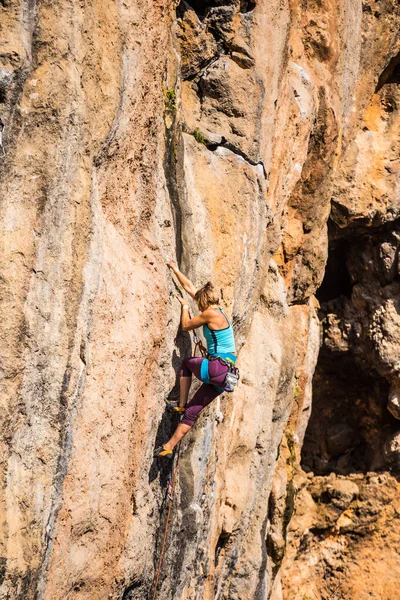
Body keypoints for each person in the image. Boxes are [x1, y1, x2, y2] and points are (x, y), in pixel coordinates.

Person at [153, 262, 237, 458]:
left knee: (186, 364)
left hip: (217, 367)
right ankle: (168, 446)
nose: (196, 304)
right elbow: (190, 288)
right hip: (226, 376)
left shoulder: (209, 314)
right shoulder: (219, 311)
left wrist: (184, 307)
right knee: (193, 412)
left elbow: (185, 326)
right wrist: (175, 269)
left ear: (204, 302)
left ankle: (180, 403)